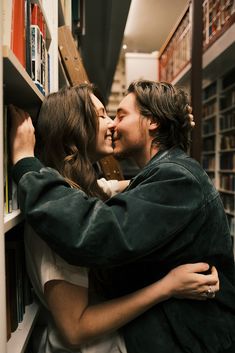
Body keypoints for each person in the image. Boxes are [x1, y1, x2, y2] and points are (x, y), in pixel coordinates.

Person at [10, 80, 235, 353]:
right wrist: (171, 121)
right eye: (104, 115)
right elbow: (120, 198)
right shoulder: (167, 175)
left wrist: (26, 165)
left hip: (186, 337)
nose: (113, 124)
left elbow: (96, 227)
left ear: (152, 122)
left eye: (120, 115)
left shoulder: (176, 178)